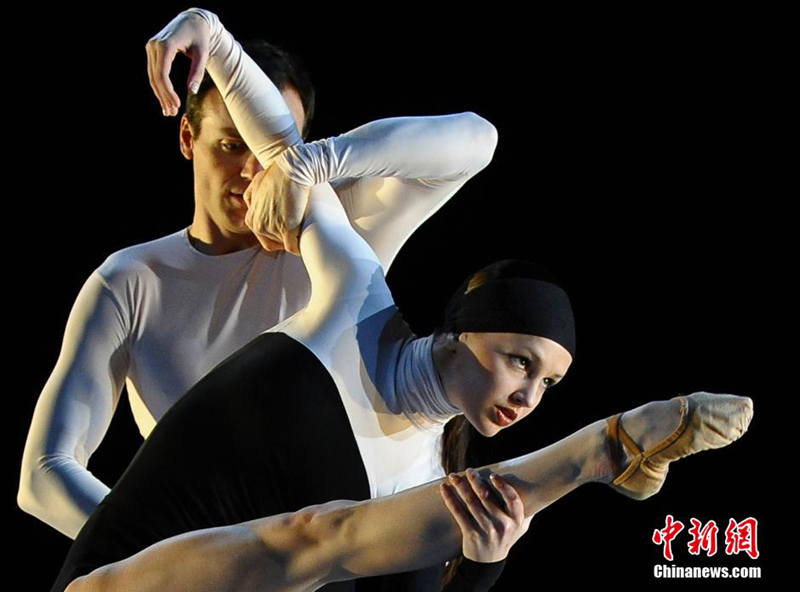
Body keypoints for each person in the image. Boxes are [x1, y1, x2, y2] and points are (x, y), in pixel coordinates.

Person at [49, 10, 755, 592]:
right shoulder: (354, 298)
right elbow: (463, 138)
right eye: (520, 361)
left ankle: (614, 449)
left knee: (332, 540)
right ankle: (605, 448)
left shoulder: (430, 483)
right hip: (121, 578)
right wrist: (222, 47)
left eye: (548, 384)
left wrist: (481, 566)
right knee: (311, 539)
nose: (528, 396)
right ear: (463, 331)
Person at [17, 4, 496, 545]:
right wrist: (176, 559)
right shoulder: (131, 283)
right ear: (187, 138)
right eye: (229, 145)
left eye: (266, 150)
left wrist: (314, 162)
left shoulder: (337, 234)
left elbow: (476, 140)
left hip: (353, 557)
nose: (252, 172)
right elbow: (44, 474)